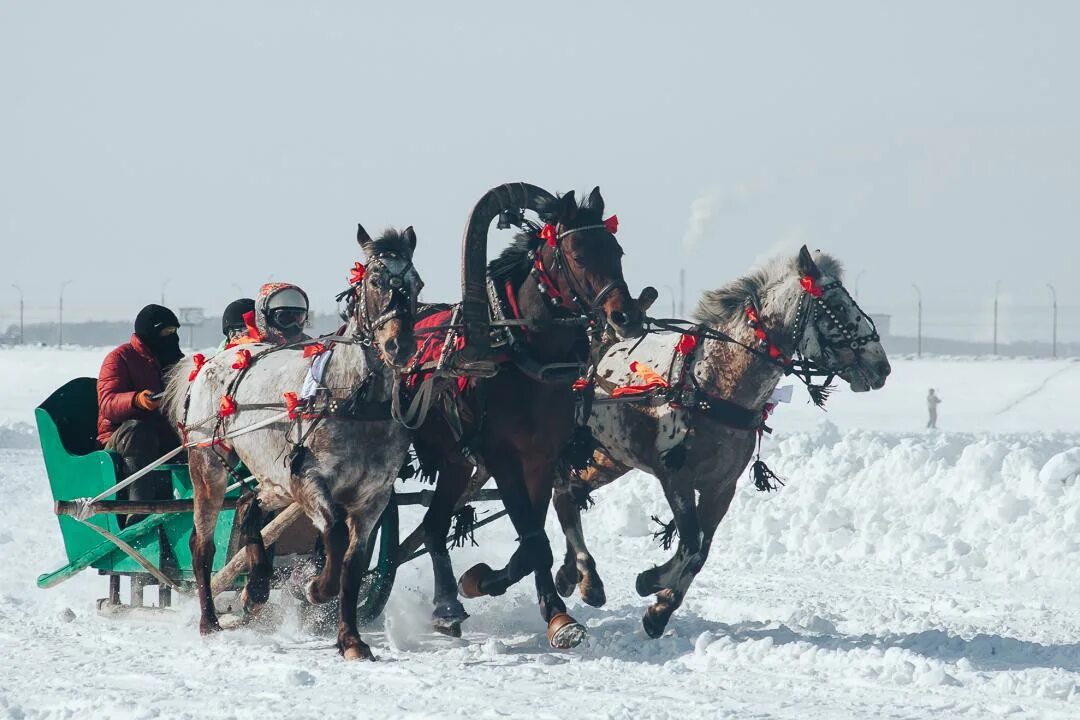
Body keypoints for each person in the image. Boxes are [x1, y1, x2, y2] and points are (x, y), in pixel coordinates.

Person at [97, 304, 184, 520]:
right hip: (119, 437)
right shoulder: (119, 358)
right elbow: (107, 403)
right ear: (151, 334)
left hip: (159, 434)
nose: (171, 339)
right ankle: (139, 510)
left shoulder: (173, 360)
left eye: (174, 333)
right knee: (138, 431)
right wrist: (137, 400)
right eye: (166, 333)